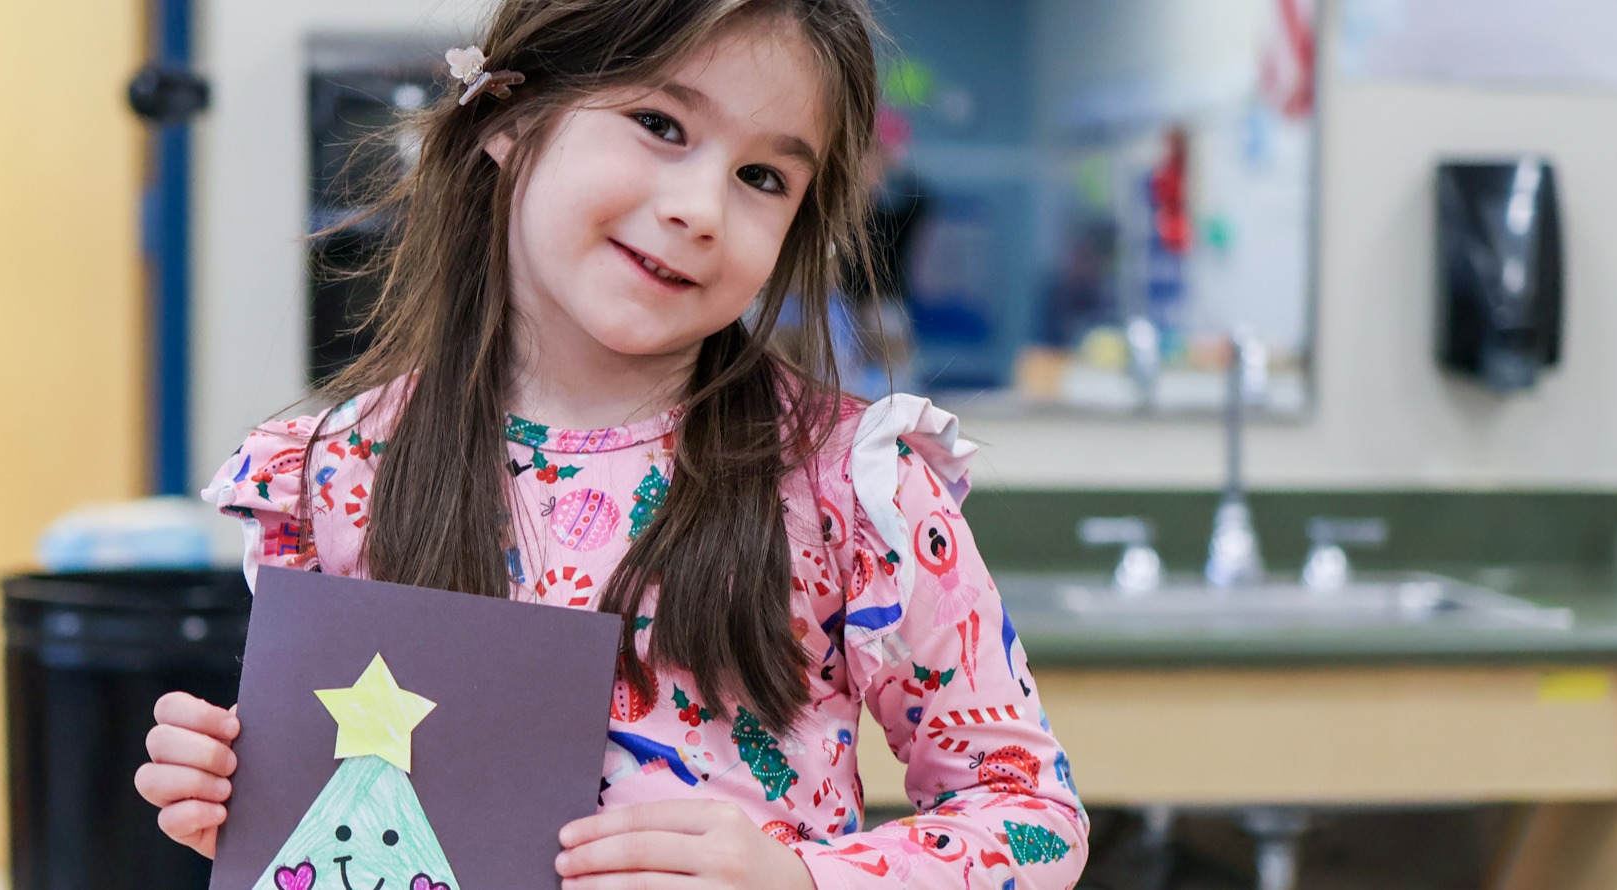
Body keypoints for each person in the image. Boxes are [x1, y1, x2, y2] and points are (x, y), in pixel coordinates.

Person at [134, 0, 1088, 886]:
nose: (701, 208)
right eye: (661, 125)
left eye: (763, 176)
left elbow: (1030, 815)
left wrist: (799, 879)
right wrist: (232, 792)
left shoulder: (856, 487)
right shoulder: (332, 476)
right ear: (509, 115)